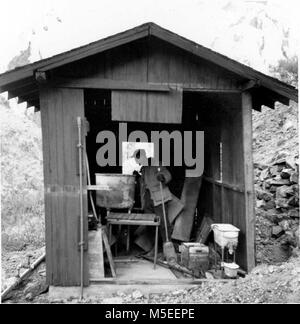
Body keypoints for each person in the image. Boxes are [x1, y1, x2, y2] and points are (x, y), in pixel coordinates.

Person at [132, 149, 173, 245]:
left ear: (142, 157)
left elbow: (168, 174)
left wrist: (163, 177)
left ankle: (167, 245)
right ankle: (154, 247)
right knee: (150, 223)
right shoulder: (144, 168)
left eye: (137, 160)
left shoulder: (156, 164)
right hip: (148, 199)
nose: (137, 163)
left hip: (159, 198)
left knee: (163, 223)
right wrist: (138, 177)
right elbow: (144, 183)